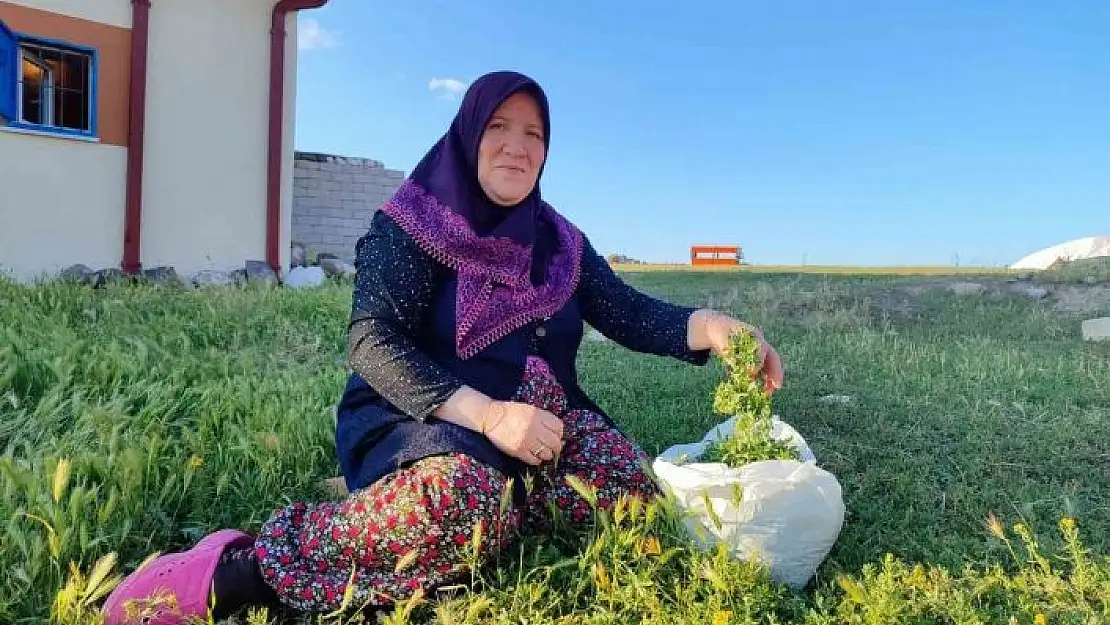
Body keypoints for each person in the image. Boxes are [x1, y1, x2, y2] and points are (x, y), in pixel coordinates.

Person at [101, 70, 784, 624]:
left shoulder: (559, 241)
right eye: (498, 128)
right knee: (467, 505)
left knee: (637, 498)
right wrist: (490, 416)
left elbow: (627, 311)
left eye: (534, 134)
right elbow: (371, 342)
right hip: (426, 421)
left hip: (541, 426)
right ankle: (238, 567)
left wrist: (717, 326)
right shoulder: (413, 223)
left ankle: (505, 506)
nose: (517, 146)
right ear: (467, 134)